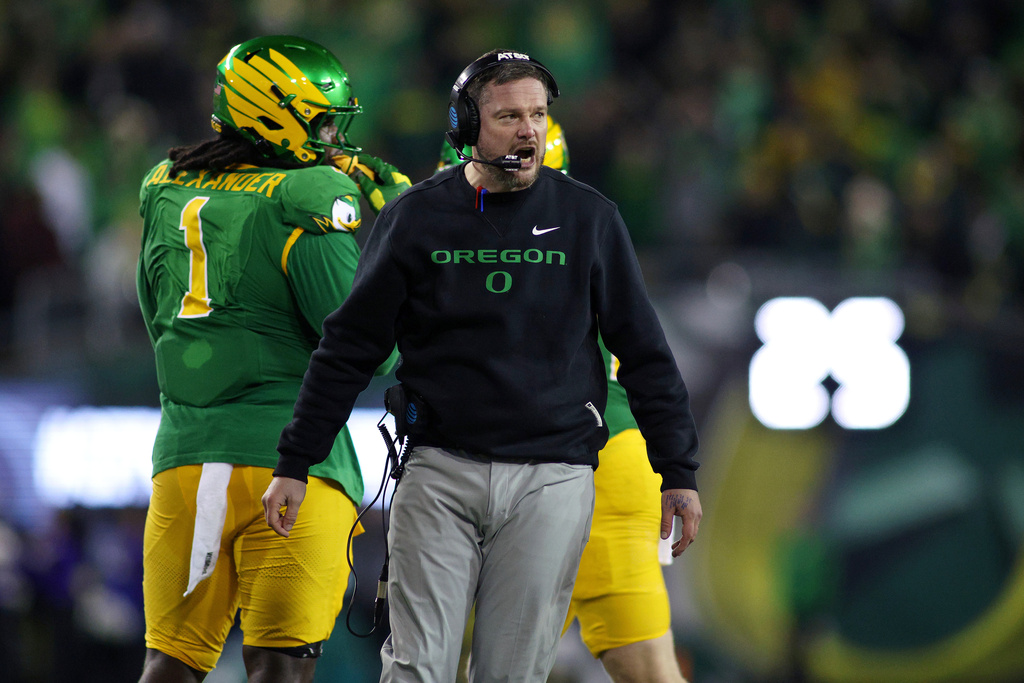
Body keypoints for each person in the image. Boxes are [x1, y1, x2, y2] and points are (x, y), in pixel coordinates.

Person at [263, 49, 702, 683]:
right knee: (416, 669)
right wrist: (295, 461)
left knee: (511, 676)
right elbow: (347, 349)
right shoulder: (415, 217)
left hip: (554, 476)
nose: (529, 131)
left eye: (539, 116)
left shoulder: (589, 217)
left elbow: (645, 353)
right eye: (509, 116)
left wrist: (679, 470)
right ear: (466, 128)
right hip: (440, 469)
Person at [135, 35, 406, 683]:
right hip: (291, 464)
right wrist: (398, 217)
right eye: (319, 119)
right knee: (280, 671)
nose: (333, 138)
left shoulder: (163, 182)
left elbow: (152, 309)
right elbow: (373, 349)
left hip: (184, 456)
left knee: (167, 667)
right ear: (275, 112)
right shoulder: (306, 195)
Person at [440, 122, 691, 683]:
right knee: (649, 665)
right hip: (625, 458)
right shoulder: (590, 226)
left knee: (483, 667)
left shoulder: (475, 242)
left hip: (543, 462)